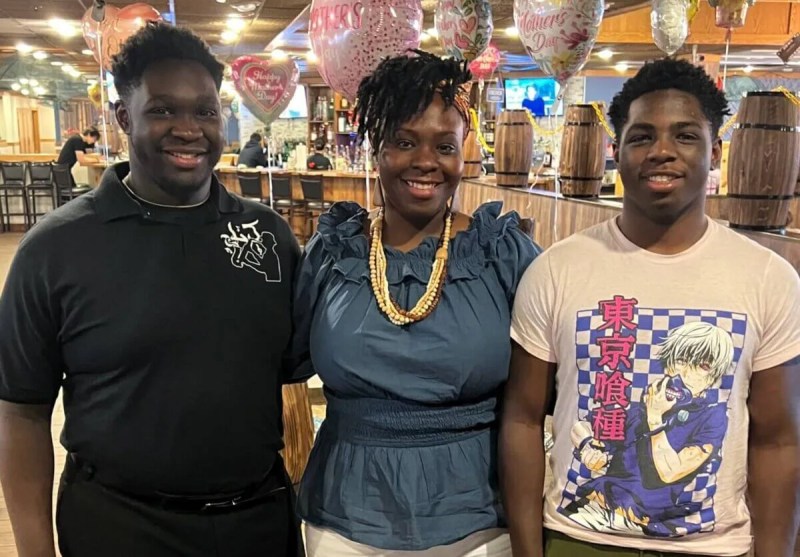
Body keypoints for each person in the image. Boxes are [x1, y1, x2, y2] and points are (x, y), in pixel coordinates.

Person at [0, 22, 303, 557]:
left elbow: (300, 373)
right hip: (119, 524)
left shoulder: (268, 237)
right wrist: (34, 550)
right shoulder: (57, 248)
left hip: (257, 520)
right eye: (163, 110)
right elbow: (20, 411)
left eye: (205, 111)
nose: (188, 129)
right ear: (124, 116)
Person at [501, 58, 800, 557]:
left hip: (712, 546)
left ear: (715, 151)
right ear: (616, 151)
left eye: (685, 135)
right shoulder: (556, 269)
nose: (662, 150)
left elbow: (778, 442)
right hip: (581, 539)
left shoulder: (768, 279)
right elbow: (523, 421)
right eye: (642, 137)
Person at [291, 51, 540, 556]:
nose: (426, 161)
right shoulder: (335, 251)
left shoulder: (501, 254)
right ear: (376, 149)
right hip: (346, 519)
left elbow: (548, 388)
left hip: (479, 519)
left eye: (444, 146)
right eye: (404, 142)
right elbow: (287, 357)